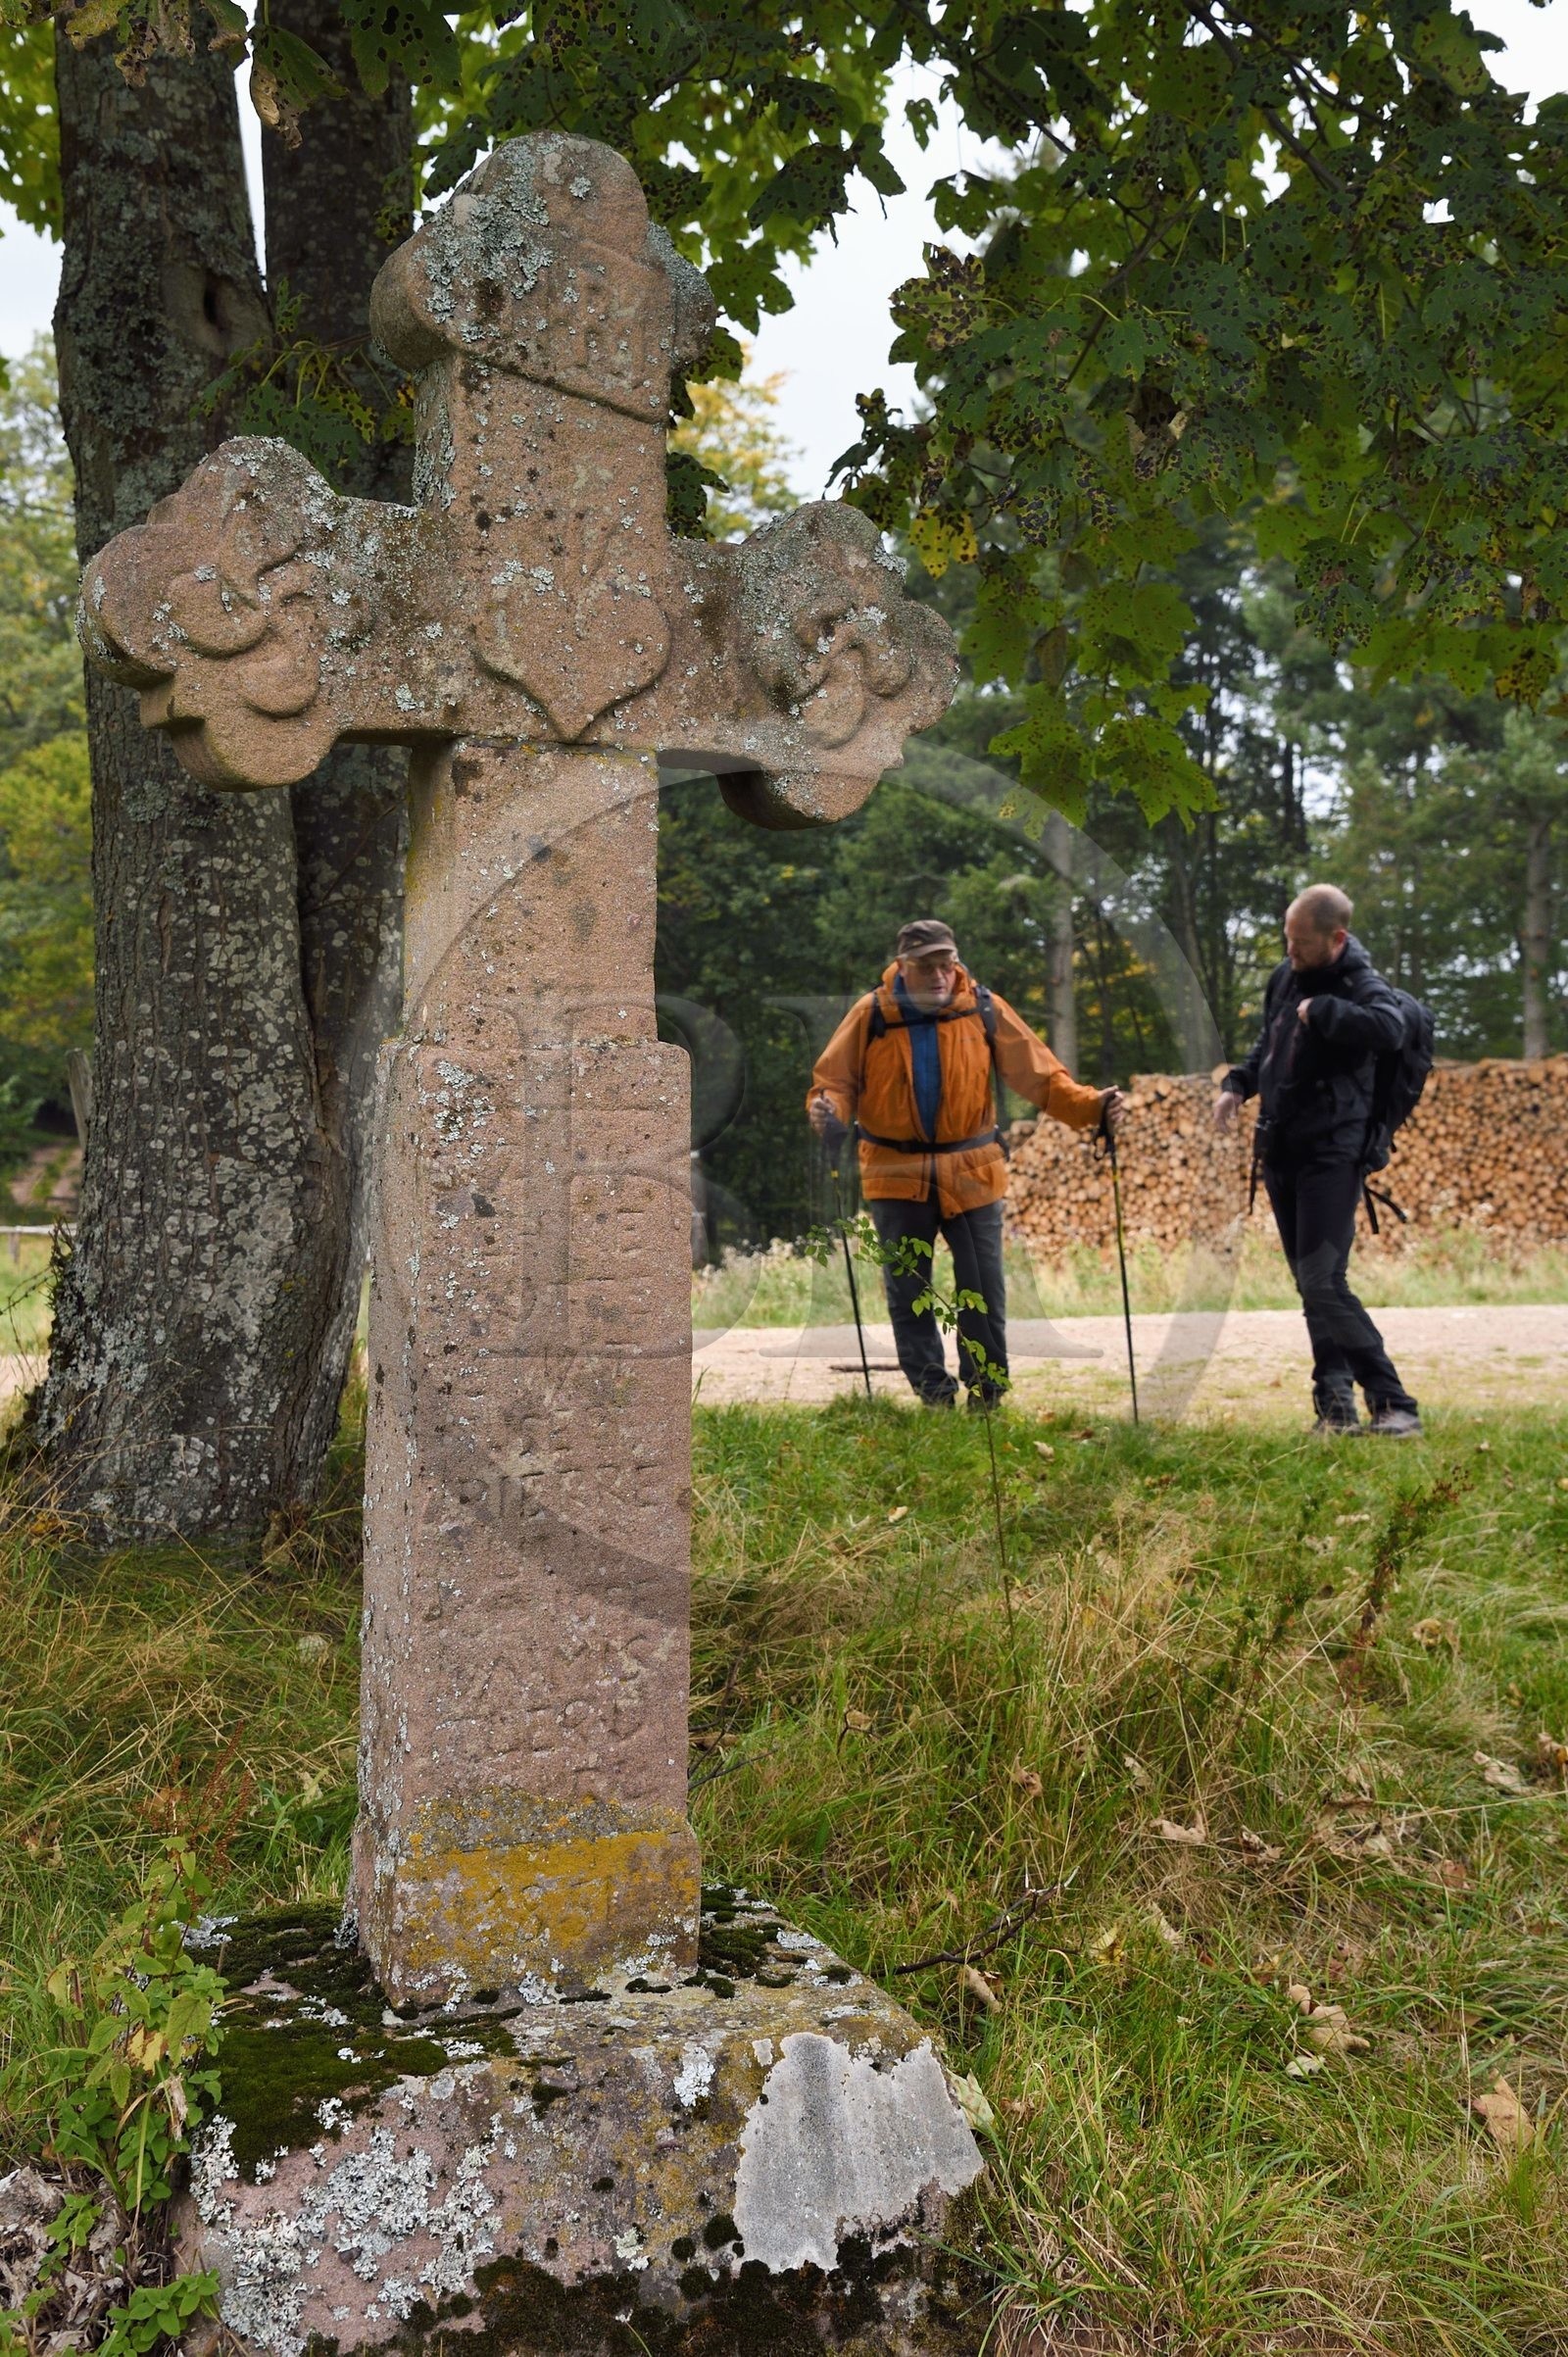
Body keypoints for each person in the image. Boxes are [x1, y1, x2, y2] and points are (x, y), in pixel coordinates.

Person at [808, 918, 1123, 1409]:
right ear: (903, 967)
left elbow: (1040, 1077)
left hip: (973, 1170)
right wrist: (828, 1111)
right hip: (895, 1172)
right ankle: (934, 1396)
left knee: (983, 1289)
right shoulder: (871, 1014)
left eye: (946, 963)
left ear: (956, 962)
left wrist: (1090, 1108)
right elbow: (835, 1082)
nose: (939, 975)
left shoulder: (983, 1008)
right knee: (909, 1290)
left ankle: (987, 1396)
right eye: (927, 966)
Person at [1213, 884, 1422, 1437]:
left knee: (1323, 1279)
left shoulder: (1360, 984)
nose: (1290, 952)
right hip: (1282, 1148)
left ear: (1337, 938)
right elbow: (1271, 1044)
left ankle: (1394, 1402)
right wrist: (1238, 1084)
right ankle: (1334, 1409)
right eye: (1287, 939)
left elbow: (1390, 1029)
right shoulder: (1285, 977)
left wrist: (1326, 1011)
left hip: (1333, 1151)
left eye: (1300, 943)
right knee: (1311, 1283)